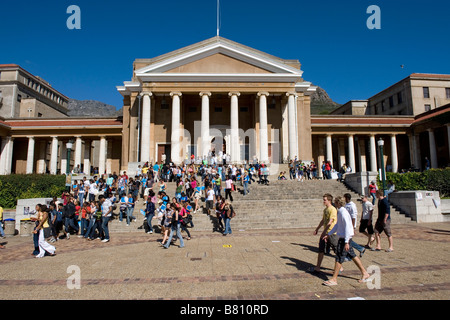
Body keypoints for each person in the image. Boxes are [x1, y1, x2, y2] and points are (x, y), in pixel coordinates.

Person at [322, 196, 370, 286]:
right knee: (353, 255)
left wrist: (347, 242)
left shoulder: (343, 212)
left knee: (339, 258)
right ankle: (365, 273)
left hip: (344, 239)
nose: (333, 203)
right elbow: (337, 225)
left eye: (335, 202)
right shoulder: (340, 212)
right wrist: (328, 235)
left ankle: (334, 279)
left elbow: (348, 227)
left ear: (337, 203)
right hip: (344, 238)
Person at [309, 193, 338, 273]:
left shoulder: (333, 209)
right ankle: (318, 266)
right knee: (321, 249)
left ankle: (339, 267)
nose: (323, 201)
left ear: (329, 200)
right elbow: (323, 221)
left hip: (332, 233)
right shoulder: (325, 210)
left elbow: (330, 221)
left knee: (337, 251)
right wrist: (317, 229)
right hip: (325, 232)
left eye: (325, 200)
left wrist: (324, 232)